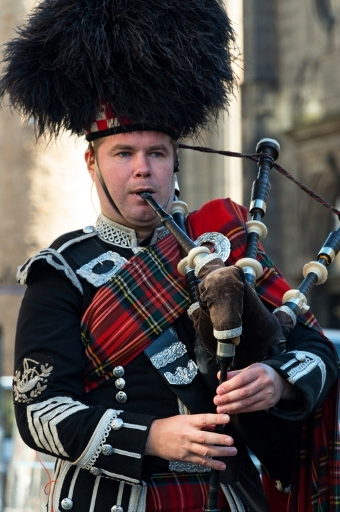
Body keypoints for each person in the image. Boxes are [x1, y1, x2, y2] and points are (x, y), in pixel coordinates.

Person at [1, 1, 339, 511]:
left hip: (228, 497)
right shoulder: (62, 271)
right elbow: (38, 411)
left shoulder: (222, 242)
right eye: (124, 153)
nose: (143, 170)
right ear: (92, 162)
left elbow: (318, 349)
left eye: (156, 153)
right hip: (114, 497)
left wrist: (278, 380)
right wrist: (152, 436)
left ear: (174, 163)